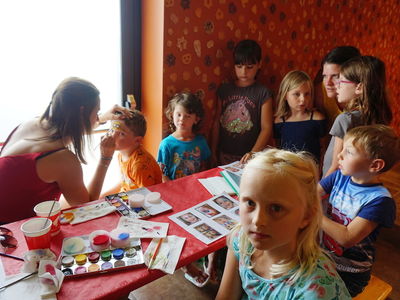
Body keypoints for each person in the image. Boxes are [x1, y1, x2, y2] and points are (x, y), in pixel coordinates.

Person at [216, 149, 350, 299]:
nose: (257, 221)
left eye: (276, 208)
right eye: (250, 203)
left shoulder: (314, 292)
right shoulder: (241, 239)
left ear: (306, 216)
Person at [0, 77, 132, 224]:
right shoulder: (62, 159)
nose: (97, 116)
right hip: (12, 232)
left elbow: (73, 126)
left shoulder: (31, 123)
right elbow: (85, 206)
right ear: (82, 113)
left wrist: (100, 118)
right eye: (96, 112)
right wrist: (105, 158)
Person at [319, 125, 398, 296]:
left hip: (350, 273)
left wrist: (313, 214)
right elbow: (311, 195)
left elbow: (347, 238)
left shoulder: (380, 201)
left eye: (348, 152)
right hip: (324, 258)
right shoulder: (340, 176)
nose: (339, 154)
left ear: (375, 165)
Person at [322, 55, 392, 177]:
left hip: (334, 185)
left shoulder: (345, 119)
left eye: (341, 81)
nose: (337, 85)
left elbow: (335, 166)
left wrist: (318, 191)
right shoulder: (381, 115)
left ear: (359, 87)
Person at [211, 39, 273, 165]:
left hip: (251, 157)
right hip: (224, 154)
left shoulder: (263, 93)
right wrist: (213, 149)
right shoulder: (224, 90)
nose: (244, 72)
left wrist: (253, 153)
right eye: (239, 67)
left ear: (259, 64)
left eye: (249, 67)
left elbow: (266, 128)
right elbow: (217, 122)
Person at [101, 110, 162, 196]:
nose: (112, 136)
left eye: (121, 134)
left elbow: (148, 196)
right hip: (127, 196)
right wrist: (103, 196)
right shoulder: (121, 154)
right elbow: (126, 182)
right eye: (112, 130)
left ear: (137, 140)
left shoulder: (139, 165)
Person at [274, 70, 326, 163]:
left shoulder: (317, 119)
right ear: (285, 95)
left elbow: (324, 147)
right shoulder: (279, 121)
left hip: (311, 170)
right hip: (287, 169)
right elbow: (278, 149)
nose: (303, 100)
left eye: (307, 94)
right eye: (296, 94)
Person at [157, 92, 210, 182]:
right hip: (173, 190)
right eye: (179, 115)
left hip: (195, 188)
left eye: (187, 116)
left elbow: (205, 168)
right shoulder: (166, 144)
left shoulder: (201, 142)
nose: (182, 119)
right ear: (172, 114)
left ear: (196, 119)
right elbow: (161, 174)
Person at [314, 46, 361, 129]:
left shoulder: (365, 99)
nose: (328, 83)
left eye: (335, 76)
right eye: (324, 76)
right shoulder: (320, 93)